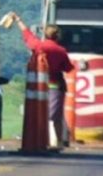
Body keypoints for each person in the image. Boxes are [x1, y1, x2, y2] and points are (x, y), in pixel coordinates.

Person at [10, 12, 74, 148]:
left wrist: (18, 20)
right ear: (58, 36)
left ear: (45, 34)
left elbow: (28, 35)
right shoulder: (61, 51)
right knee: (56, 117)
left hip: (38, 87)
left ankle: (41, 141)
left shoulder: (38, 46)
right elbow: (68, 68)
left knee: (40, 115)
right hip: (56, 86)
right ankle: (60, 142)